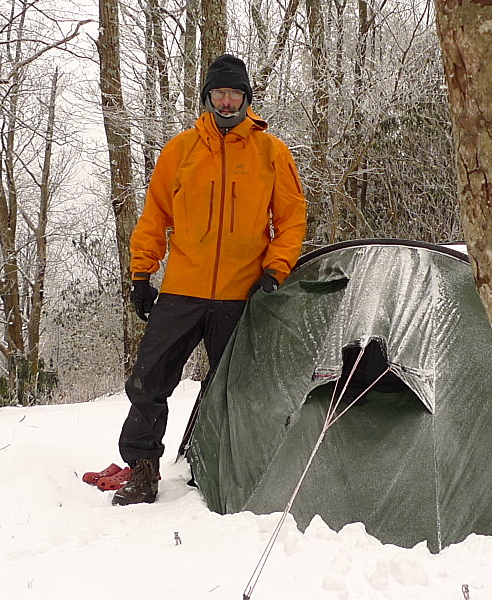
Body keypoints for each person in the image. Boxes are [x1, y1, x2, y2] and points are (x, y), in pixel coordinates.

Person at [112, 54, 307, 506]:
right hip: (182, 288)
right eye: (218, 92)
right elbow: (155, 214)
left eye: (234, 93)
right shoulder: (180, 150)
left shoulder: (270, 152)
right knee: (148, 381)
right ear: (207, 97)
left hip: (240, 294)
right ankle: (142, 470)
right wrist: (142, 273)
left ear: (246, 98)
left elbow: (292, 220)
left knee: (236, 389)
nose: (226, 100)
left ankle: (222, 469)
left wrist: (275, 270)